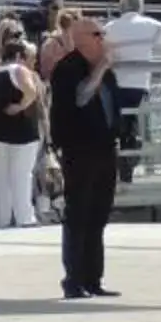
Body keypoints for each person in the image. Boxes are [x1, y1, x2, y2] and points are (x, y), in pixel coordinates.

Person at [48, 15, 120, 299]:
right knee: (78, 214)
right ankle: (74, 279)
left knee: (99, 214)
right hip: (79, 148)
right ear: (81, 39)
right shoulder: (68, 68)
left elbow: (113, 105)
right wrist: (100, 69)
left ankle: (93, 278)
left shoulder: (107, 70)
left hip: (105, 146)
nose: (103, 39)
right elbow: (80, 98)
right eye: (98, 35)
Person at [99, 0, 161, 184]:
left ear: (120, 8)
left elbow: (99, 47)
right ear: (139, 7)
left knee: (118, 127)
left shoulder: (110, 27)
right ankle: (127, 169)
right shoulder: (148, 25)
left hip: (116, 86)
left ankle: (117, 168)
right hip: (140, 86)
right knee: (135, 128)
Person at [0, 33, 46, 229]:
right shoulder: (19, 70)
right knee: (22, 174)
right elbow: (31, 92)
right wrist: (19, 106)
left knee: (0, 175)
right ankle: (24, 216)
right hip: (22, 130)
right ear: (19, 56)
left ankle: (2, 218)